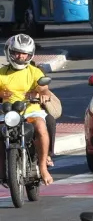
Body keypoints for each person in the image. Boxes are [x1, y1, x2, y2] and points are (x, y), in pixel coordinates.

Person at [0, 35, 54, 185]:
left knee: (41, 127)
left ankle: (43, 167)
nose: (20, 56)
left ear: (30, 55)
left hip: (31, 111)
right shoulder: (2, 72)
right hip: (8, 113)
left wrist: (43, 94)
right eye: (16, 52)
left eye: (24, 54)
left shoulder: (34, 71)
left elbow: (44, 88)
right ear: (9, 52)